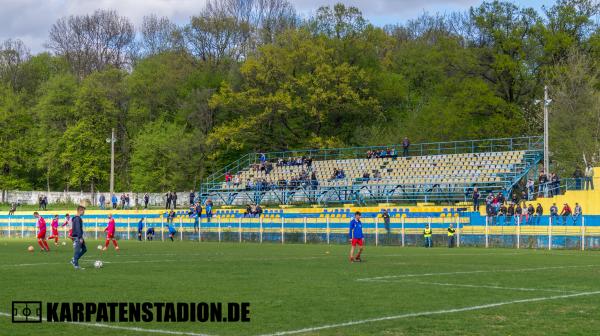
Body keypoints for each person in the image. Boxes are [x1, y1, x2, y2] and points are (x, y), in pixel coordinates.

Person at [70, 205, 87, 270]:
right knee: (77, 251)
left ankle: (74, 260)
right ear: (80, 210)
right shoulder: (77, 218)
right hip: (77, 237)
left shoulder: (76, 218)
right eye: (83, 211)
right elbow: (77, 228)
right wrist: (80, 237)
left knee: (84, 249)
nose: (84, 212)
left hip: (78, 236)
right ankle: (76, 265)